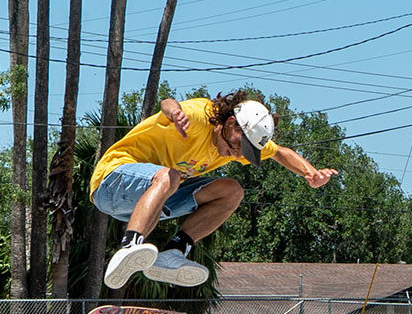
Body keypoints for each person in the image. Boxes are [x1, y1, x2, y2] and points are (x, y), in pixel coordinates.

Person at [88, 90, 338, 290]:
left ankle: (174, 252)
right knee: (170, 176)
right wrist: (175, 113)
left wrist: (310, 173)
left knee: (231, 190)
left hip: (152, 200)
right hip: (111, 181)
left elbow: (281, 153)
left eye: (245, 153)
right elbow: (167, 102)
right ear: (231, 124)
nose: (237, 155)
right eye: (237, 147)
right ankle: (130, 245)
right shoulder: (199, 116)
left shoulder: (239, 144)